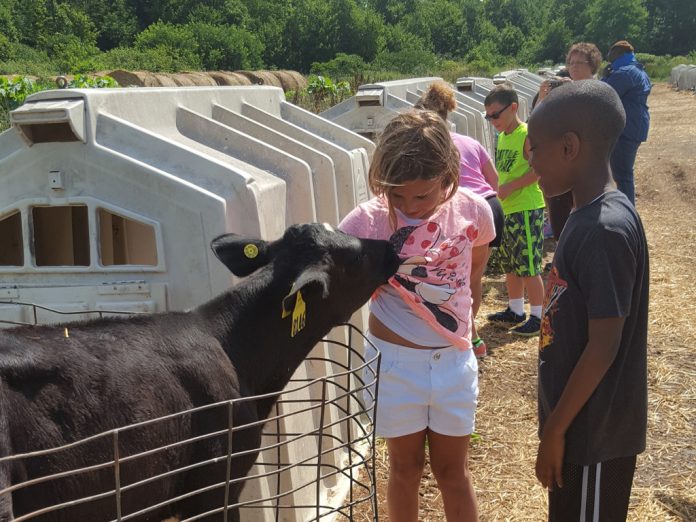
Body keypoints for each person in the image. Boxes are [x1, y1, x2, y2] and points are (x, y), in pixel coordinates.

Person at [339, 109, 495, 521]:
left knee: (453, 472)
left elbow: (473, 272)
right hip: (394, 364)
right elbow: (345, 283)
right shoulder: (365, 221)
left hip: (453, 363)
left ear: (448, 174)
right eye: (396, 196)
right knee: (404, 468)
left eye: (422, 195)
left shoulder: (474, 211)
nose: (410, 206)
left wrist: (468, 329)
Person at [528, 80, 649, 521]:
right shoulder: (586, 213)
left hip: (593, 435)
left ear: (569, 147)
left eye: (535, 147)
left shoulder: (605, 230)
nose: (528, 157)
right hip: (580, 425)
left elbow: (603, 345)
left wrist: (556, 431)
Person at [414, 80, 503, 358]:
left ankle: (466, 337)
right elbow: (494, 181)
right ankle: (471, 337)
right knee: (473, 278)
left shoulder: (428, 148)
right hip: (489, 207)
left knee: (454, 282)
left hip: (463, 213)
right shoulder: (469, 141)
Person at [484, 82, 545, 337]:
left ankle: (539, 316)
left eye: (496, 115)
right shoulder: (503, 136)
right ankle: (515, 309)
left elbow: (539, 170)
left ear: (513, 108)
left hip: (527, 208)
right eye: (488, 116)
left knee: (529, 266)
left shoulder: (526, 133)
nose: (492, 120)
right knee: (511, 264)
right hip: (508, 209)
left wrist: (511, 187)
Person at [535, 42, 603, 240]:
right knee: (561, 212)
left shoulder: (598, 91)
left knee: (586, 211)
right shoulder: (563, 90)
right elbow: (537, 121)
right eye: (570, 62)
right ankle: (563, 256)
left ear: (592, 65)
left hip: (586, 163)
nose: (573, 66)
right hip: (561, 162)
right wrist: (542, 97)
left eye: (578, 62)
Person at [601, 40, 651, 205]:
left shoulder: (625, 72)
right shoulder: (637, 69)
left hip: (627, 128)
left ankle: (627, 210)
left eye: (611, 53)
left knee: (622, 175)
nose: (609, 57)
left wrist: (604, 76)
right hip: (636, 126)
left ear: (617, 53)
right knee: (624, 173)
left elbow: (604, 93)